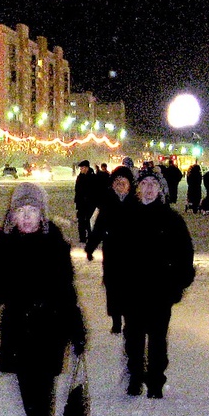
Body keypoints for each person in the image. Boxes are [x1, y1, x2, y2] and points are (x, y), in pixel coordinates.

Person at [0, 183, 87, 416]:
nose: (26, 216)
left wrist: (77, 329)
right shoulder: (3, 246)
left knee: (44, 387)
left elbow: (67, 292)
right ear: (12, 215)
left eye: (32, 210)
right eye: (20, 210)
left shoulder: (55, 246)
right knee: (27, 390)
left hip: (51, 328)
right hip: (17, 329)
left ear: (42, 215)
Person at [120, 170, 195, 398]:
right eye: (145, 183)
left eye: (154, 183)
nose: (149, 187)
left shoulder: (171, 219)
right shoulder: (127, 217)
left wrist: (178, 284)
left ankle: (155, 381)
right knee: (133, 337)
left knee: (157, 338)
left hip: (161, 290)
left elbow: (185, 253)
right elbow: (116, 255)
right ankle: (135, 377)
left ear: (161, 189)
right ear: (138, 188)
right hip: (132, 290)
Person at [86, 165, 137, 333]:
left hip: (132, 254)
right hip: (112, 252)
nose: (120, 185)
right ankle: (116, 320)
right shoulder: (107, 203)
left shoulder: (136, 203)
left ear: (129, 184)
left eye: (123, 182)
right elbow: (98, 227)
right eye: (117, 182)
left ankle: (130, 319)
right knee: (113, 287)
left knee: (130, 287)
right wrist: (90, 247)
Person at [74, 160, 103, 248]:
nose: (81, 169)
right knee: (81, 220)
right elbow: (77, 190)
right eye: (80, 168)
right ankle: (82, 237)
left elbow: (96, 191)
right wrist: (77, 201)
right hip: (81, 203)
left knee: (88, 220)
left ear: (86, 168)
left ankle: (91, 236)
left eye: (82, 168)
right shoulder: (80, 177)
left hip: (90, 203)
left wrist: (96, 202)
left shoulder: (93, 177)